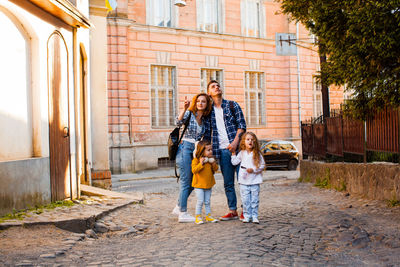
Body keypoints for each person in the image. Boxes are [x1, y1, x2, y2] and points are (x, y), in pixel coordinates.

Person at [206, 80, 246, 220]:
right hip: (222, 151)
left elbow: (242, 125)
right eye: (213, 86)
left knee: (243, 180)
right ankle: (232, 210)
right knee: (228, 183)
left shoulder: (232, 105)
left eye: (218, 85)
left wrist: (235, 142)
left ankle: (245, 210)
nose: (217, 87)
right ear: (209, 93)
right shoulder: (209, 112)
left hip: (239, 149)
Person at [172, 93, 212, 223]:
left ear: (206, 105)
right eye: (198, 101)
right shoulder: (189, 114)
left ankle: (179, 206)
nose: (200, 103)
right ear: (195, 102)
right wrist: (184, 109)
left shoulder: (205, 121)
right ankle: (183, 213)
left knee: (194, 181)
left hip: (195, 150)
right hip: (184, 148)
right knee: (186, 181)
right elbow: (177, 122)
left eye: (204, 101)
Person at [231, 132, 265, 224]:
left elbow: (262, 165)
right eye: (248, 139)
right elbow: (234, 162)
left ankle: (254, 216)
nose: (250, 141)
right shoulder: (242, 153)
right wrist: (233, 154)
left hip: (254, 181)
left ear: (255, 142)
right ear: (244, 142)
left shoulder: (257, 154)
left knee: (254, 200)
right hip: (244, 181)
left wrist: (253, 170)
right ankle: (247, 215)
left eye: (252, 140)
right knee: (245, 200)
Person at [191, 140, 219, 224]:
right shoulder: (196, 160)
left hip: (208, 184)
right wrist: (201, 164)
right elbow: (194, 170)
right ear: (202, 150)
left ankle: (208, 216)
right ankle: (198, 217)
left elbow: (216, 169)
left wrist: (214, 163)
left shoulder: (211, 160)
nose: (211, 151)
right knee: (200, 201)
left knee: (207, 201)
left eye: (211, 149)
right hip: (199, 185)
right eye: (208, 150)